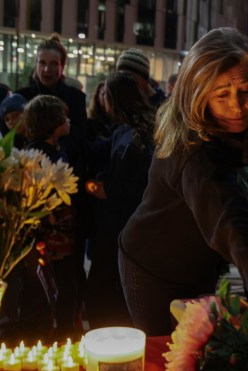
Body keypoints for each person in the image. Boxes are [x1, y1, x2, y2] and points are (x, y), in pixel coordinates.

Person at [118, 27, 248, 358]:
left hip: (195, 265)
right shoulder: (194, 151)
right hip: (151, 269)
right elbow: (231, 219)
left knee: (199, 356)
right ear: (197, 94)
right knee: (168, 361)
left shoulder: (228, 131)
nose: (238, 107)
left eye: (246, 91)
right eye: (222, 95)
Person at [16, 35, 90, 299]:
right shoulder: (22, 96)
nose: (47, 69)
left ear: (62, 66)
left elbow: (81, 140)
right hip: (34, 194)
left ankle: (71, 313)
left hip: (68, 189)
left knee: (70, 267)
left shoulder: (75, 98)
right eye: (42, 63)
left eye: (53, 64)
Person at [85, 71, 155, 329]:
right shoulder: (124, 130)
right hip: (115, 224)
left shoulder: (141, 134)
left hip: (125, 225)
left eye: (107, 95)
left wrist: (110, 190)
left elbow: (144, 181)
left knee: (108, 293)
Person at [21, 94, 84, 341]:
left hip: (64, 239)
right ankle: (41, 342)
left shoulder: (58, 149)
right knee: (44, 295)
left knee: (66, 290)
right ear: (51, 120)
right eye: (63, 115)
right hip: (48, 242)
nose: (68, 120)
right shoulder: (35, 155)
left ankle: (63, 336)